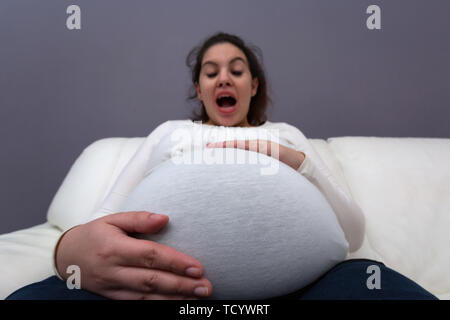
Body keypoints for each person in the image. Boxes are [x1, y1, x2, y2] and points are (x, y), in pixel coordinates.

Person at [7, 32, 437, 300]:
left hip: (310, 285)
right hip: (152, 286)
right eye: (211, 72)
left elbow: (352, 234)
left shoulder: (286, 134)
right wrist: (68, 255)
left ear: (254, 85)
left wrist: (302, 165)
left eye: (237, 70)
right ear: (200, 88)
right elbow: (103, 221)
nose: (224, 78)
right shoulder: (169, 133)